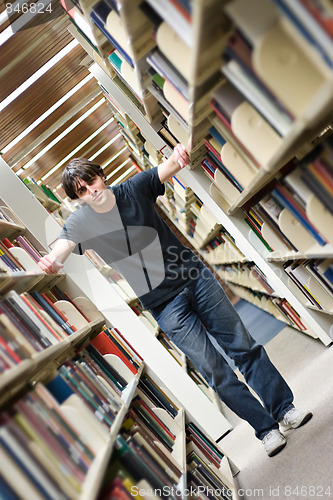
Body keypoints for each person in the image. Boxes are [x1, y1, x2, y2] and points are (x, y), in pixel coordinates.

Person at [38, 143, 312, 457]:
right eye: (82, 191)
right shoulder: (81, 222)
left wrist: (180, 154)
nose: (91, 191)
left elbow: (167, 167)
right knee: (214, 370)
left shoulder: (133, 188)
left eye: (92, 182)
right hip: (164, 305)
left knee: (243, 347)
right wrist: (52, 260)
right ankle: (265, 430)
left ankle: (283, 409)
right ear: (77, 199)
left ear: (101, 176)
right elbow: (64, 243)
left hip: (196, 279)